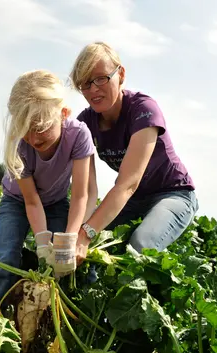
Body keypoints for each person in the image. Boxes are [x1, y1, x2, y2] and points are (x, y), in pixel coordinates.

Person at [68, 42, 199, 264]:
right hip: (134, 199)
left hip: (172, 194)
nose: (93, 90)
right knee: (94, 241)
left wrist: (85, 234)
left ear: (121, 74)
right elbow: (88, 191)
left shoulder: (144, 110)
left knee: (140, 246)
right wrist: (76, 234)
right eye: (85, 83)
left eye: (101, 78)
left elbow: (127, 185)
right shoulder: (84, 124)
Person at [0, 69, 97, 315]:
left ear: (63, 114)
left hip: (56, 203)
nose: (33, 137)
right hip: (17, 202)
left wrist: (69, 237)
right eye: (26, 128)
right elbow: (31, 202)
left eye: (41, 128)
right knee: (6, 261)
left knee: (62, 266)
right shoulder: (20, 144)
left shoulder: (79, 135)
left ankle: (59, 328)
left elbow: (79, 195)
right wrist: (42, 240)